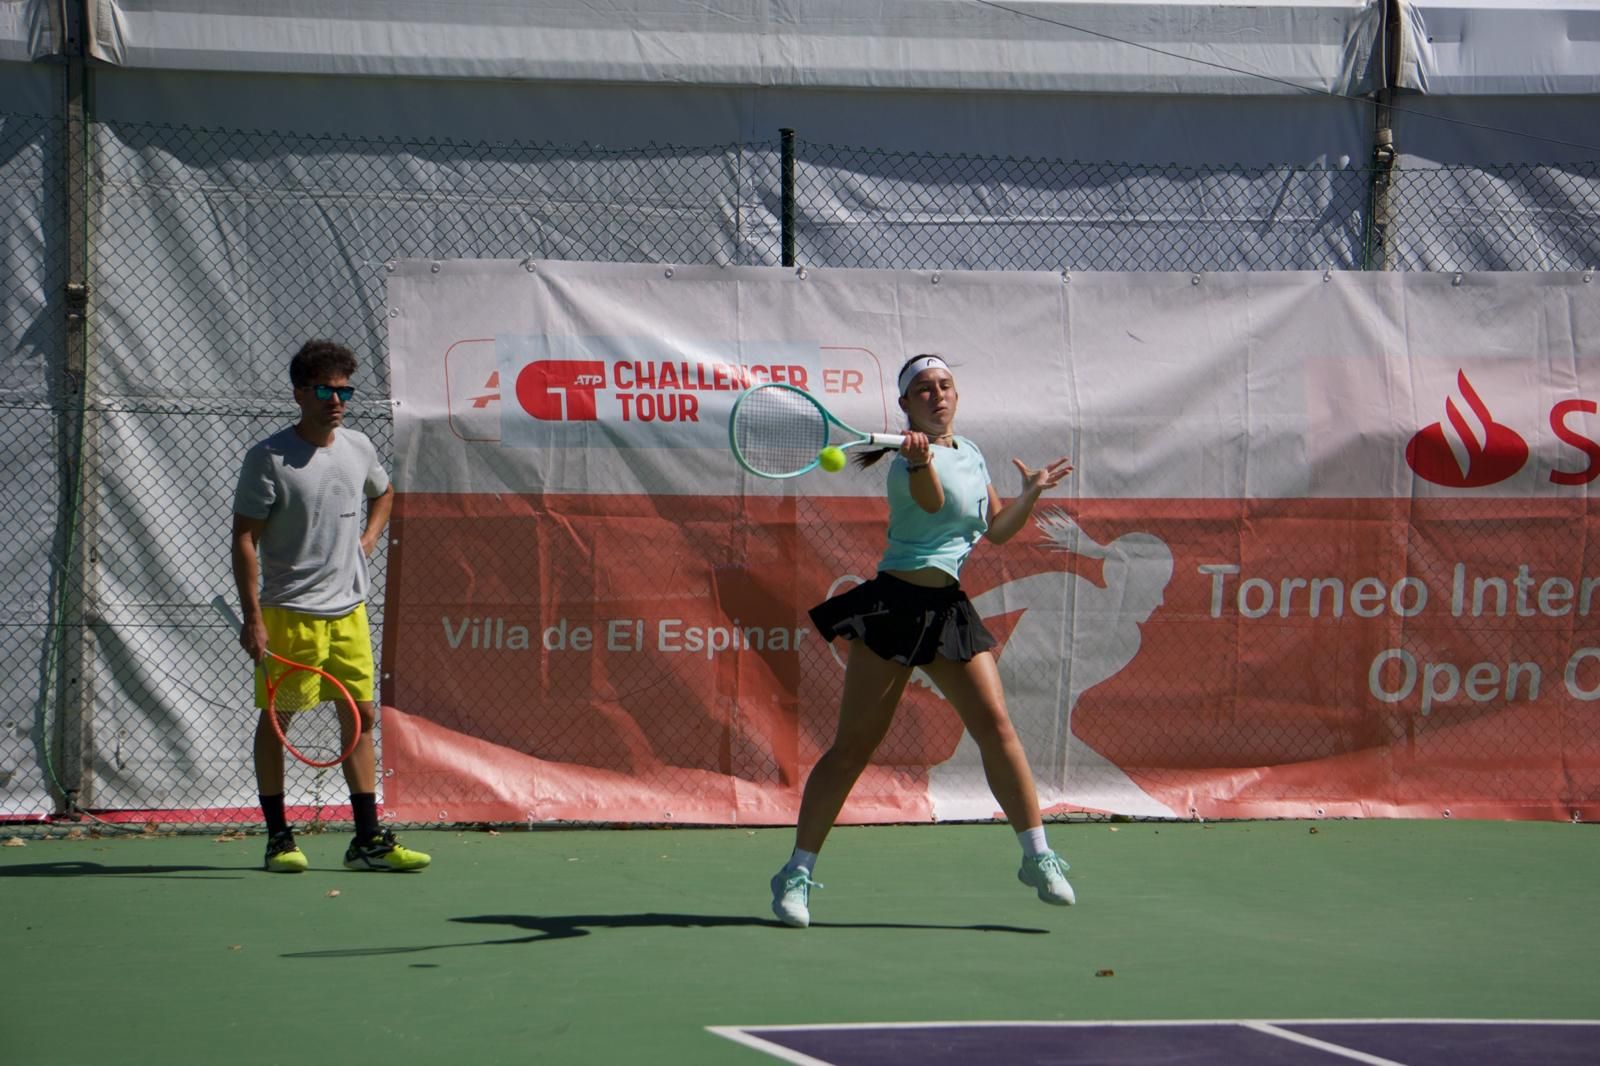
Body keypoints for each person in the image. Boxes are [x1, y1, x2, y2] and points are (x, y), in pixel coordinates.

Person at [769, 354, 1075, 927]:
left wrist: (1030, 492)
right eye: (924, 390)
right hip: (893, 608)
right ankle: (797, 873)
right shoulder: (905, 463)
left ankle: (1038, 856)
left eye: (945, 385)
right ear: (905, 405)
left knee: (997, 728)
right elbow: (933, 505)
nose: (937, 395)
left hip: (948, 610)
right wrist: (917, 463)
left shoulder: (973, 452)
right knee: (853, 749)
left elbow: (998, 532)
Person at [230, 339, 430, 874]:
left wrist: (367, 539)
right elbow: (244, 539)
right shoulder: (268, 458)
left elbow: (383, 493)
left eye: (344, 390)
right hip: (289, 614)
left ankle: (367, 840)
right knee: (279, 722)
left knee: (361, 718)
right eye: (325, 390)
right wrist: (253, 618)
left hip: (350, 614)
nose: (336, 400)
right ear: (300, 393)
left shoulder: (358, 447)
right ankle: (279, 838)